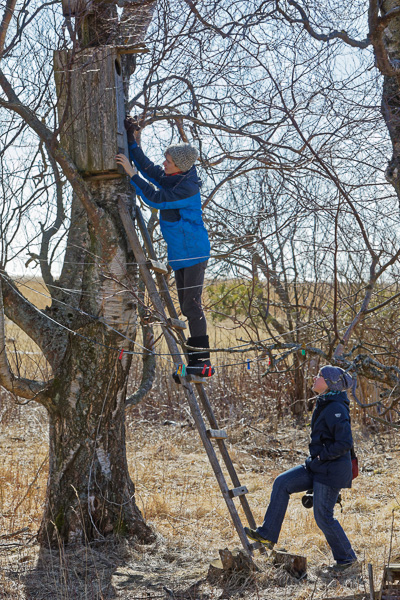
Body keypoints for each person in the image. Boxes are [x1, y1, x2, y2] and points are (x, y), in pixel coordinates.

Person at [116, 118, 213, 377]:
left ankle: (202, 364)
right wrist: (131, 142)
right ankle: (196, 362)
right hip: (181, 254)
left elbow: (156, 198)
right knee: (187, 307)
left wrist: (131, 174)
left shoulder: (186, 188)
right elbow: (149, 168)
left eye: (168, 162)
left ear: (178, 167)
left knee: (192, 307)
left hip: (193, 252)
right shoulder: (176, 177)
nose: (164, 164)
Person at [244, 365, 358, 577]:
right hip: (317, 466)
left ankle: (348, 560)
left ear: (330, 383)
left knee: (323, 517)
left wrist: (322, 456)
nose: (315, 378)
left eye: (320, 376)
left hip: (330, 471)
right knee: (282, 482)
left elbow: (344, 442)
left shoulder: (336, 408)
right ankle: (267, 534)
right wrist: (317, 458)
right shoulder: (325, 402)